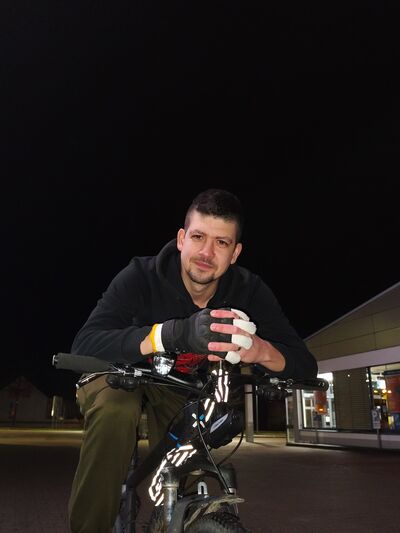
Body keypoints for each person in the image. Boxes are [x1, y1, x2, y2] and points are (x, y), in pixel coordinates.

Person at [68, 188, 317, 533]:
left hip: (180, 387)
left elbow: (304, 362)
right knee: (116, 411)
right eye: (198, 237)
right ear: (181, 239)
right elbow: (85, 345)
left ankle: (171, 517)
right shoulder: (141, 276)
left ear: (235, 253)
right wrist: (170, 335)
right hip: (119, 376)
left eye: (221, 243)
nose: (206, 253)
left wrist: (260, 350)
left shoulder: (249, 291)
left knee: (194, 436)